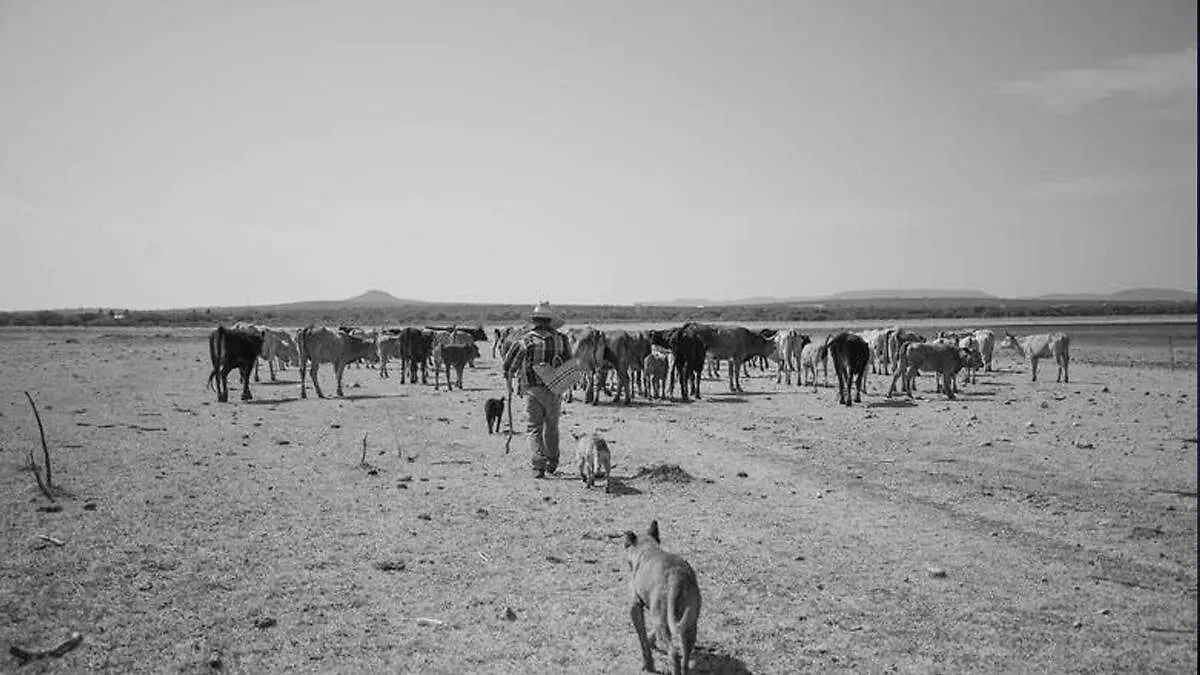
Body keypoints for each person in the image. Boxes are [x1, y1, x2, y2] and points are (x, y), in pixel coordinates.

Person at [502, 302, 573, 479]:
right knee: (552, 427)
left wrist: (510, 382)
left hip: (532, 391)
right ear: (550, 321)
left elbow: (509, 366)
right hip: (554, 390)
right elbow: (570, 367)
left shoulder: (524, 341)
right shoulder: (562, 339)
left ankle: (538, 464)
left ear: (534, 321)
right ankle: (552, 462)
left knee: (534, 427)